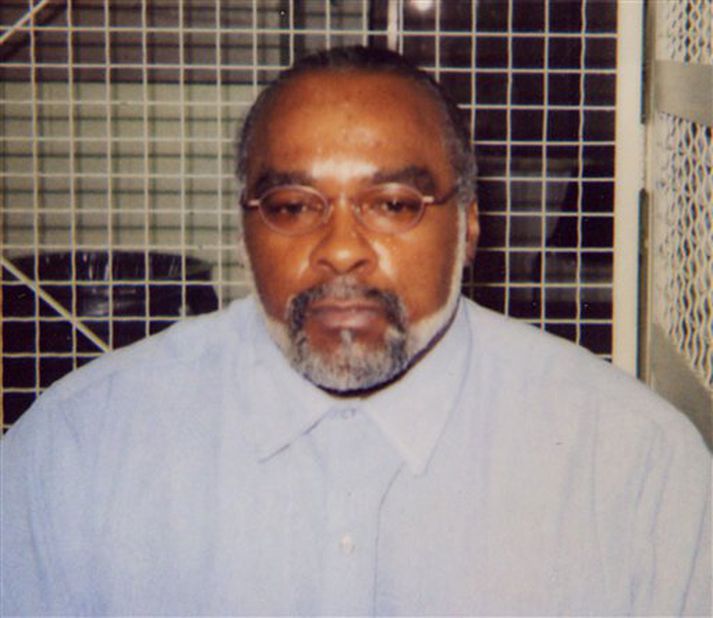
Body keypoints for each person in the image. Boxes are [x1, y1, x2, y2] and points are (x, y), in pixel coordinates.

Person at [1, 46, 710, 616]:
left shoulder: (632, 464)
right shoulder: (76, 452)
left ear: (468, 226)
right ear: (245, 228)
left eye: (394, 204)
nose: (340, 249)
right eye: (292, 206)